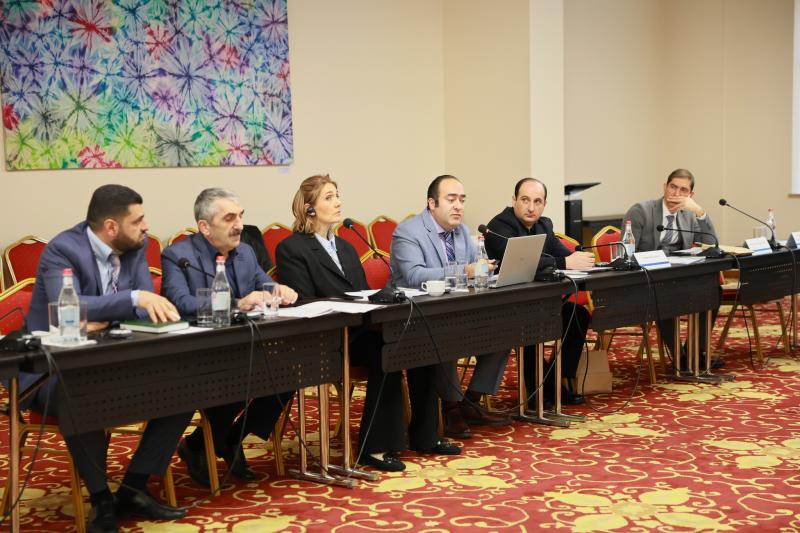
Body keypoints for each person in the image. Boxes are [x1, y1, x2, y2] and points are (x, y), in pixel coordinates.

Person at [25, 184, 191, 533]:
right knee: (80, 393)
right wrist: (130, 299)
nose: (146, 226)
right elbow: (68, 307)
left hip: (112, 362)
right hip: (50, 372)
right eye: (138, 220)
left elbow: (143, 310)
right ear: (111, 226)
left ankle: (133, 489)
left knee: (184, 386)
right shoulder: (62, 250)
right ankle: (101, 502)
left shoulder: (134, 247)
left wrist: (109, 313)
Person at [276, 175, 458, 471]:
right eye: (329, 197)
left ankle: (426, 435)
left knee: (417, 340)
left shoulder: (346, 247)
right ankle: (376, 447)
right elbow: (303, 302)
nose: (338, 202)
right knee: (385, 350)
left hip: (359, 331)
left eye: (337, 195)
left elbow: (362, 293)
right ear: (309, 208)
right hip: (326, 338)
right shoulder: (292, 248)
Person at [161, 188, 298, 486]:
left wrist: (279, 290)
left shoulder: (245, 251)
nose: (239, 225)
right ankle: (215, 441)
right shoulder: (179, 256)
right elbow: (179, 303)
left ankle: (219, 439)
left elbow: (263, 282)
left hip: (244, 345)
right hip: (199, 350)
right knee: (233, 379)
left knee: (289, 373)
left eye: (241, 216)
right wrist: (238, 303)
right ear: (204, 226)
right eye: (229, 218)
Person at [391, 175, 512, 439]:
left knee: (505, 330)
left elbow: (474, 271)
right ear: (432, 203)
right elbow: (413, 276)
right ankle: (451, 408)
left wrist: (486, 272)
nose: (458, 206)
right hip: (417, 319)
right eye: (451, 199)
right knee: (445, 334)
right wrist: (466, 271)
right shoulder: (408, 232)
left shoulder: (463, 232)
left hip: (459, 311)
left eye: (462, 200)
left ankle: (472, 401)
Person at [484, 177, 592, 406]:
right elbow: (522, 259)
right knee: (531, 328)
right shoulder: (498, 227)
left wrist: (579, 260)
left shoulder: (544, 225)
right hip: (507, 308)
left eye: (537, 201)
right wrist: (565, 262)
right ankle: (539, 393)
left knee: (578, 315)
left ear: (544, 205)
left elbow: (562, 255)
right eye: (525, 200)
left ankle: (559, 380)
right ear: (514, 200)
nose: (531, 207)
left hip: (542, 302)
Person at [623, 168, 721, 367]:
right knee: (665, 293)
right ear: (664, 187)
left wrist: (700, 212)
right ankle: (680, 358)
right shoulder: (641, 211)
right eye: (673, 187)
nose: (676, 193)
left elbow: (711, 244)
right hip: (648, 279)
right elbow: (626, 254)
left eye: (683, 190)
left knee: (712, 290)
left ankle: (694, 351)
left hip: (679, 275)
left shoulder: (689, 215)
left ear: (690, 195)